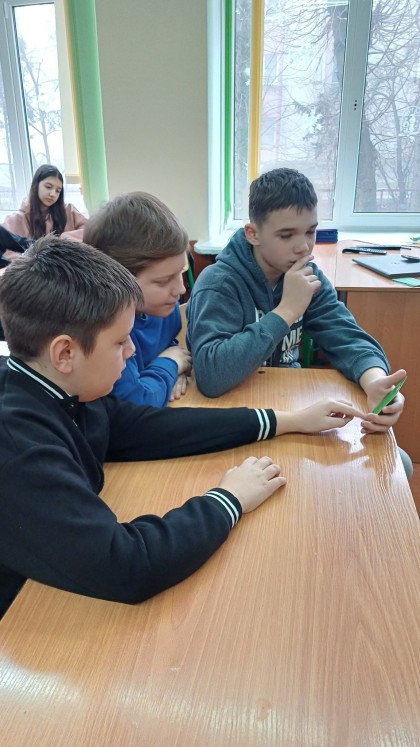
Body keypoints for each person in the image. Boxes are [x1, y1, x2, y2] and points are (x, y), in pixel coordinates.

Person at [0, 236, 365, 617]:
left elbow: (144, 428)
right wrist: (229, 498)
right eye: (120, 342)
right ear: (65, 353)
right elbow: (127, 566)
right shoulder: (20, 448)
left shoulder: (61, 388)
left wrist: (284, 421)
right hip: (21, 614)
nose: (131, 352)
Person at [186, 168, 411, 473]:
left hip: (293, 414)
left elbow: (347, 336)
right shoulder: (220, 283)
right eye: (286, 234)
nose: (303, 246)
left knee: (399, 465)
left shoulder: (307, 276)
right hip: (233, 420)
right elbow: (212, 375)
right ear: (253, 234)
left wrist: (374, 381)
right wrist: (286, 311)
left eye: (310, 231)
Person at [84, 192, 192, 407]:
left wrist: (173, 372)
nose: (180, 289)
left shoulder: (163, 307)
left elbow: (167, 347)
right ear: (116, 281)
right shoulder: (110, 331)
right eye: (163, 281)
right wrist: (170, 364)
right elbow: (136, 402)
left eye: (181, 272)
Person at [1, 164, 86, 263]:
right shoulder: (16, 219)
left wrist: (62, 241)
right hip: (32, 270)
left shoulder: (68, 210)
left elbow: (90, 231)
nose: (53, 194)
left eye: (58, 191)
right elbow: (7, 252)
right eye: (48, 187)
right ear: (36, 185)